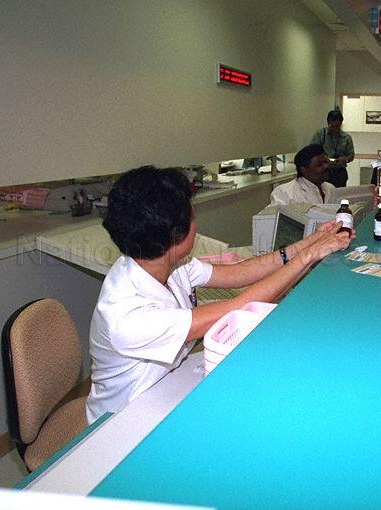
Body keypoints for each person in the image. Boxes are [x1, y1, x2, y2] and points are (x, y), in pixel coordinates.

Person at [86, 166, 352, 423]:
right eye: (192, 216)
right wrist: (309, 255)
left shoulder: (160, 259)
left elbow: (239, 273)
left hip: (166, 386)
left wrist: (311, 241)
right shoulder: (127, 316)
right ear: (177, 235)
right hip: (123, 420)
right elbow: (239, 309)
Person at [270, 144, 335, 205]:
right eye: (319, 165)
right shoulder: (285, 193)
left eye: (326, 162)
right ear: (304, 170)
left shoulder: (330, 188)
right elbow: (275, 216)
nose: (326, 166)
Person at [310, 109, 355, 188]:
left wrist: (345, 159)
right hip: (324, 171)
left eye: (337, 126)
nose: (334, 129)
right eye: (332, 126)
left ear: (341, 123)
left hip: (340, 172)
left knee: (339, 195)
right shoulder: (321, 134)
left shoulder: (346, 137)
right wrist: (324, 159)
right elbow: (312, 151)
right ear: (328, 123)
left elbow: (351, 155)